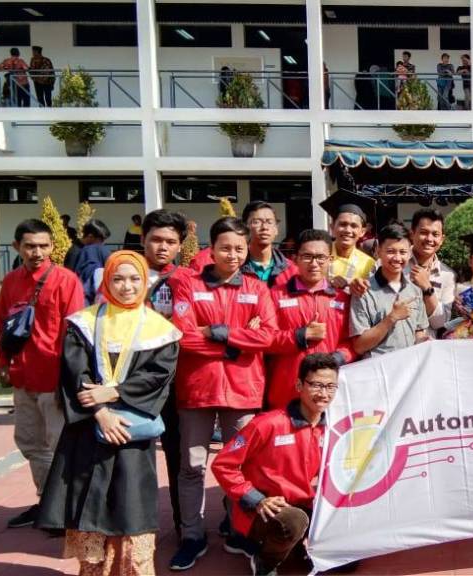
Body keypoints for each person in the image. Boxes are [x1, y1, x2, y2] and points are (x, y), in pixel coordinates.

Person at [36, 251, 181, 576]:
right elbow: (75, 372)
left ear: (145, 282)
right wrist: (101, 413)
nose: (127, 286)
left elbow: (158, 376)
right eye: (118, 278)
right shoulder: (83, 323)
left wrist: (114, 392)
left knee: (131, 509)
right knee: (91, 505)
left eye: (134, 279)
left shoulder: (159, 329)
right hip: (89, 429)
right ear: (106, 281)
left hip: (130, 430)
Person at [169, 217, 279, 571]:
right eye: (225, 248)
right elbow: (183, 336)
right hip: (196, 389)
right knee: (192, 467)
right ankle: (192, 536)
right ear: (211, 249)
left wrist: (217, 333)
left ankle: (238, 531)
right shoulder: (188, 285)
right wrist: (239, 342)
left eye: (239, 249)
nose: (233, 255)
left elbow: (269, 336)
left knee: (240, 466)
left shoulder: (257, 289)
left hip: (243, 390)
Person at [211, 353, 342, 576]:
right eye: (316, 385)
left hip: (301, 504)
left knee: (345, 545)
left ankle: (295, 547)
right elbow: (223, 464)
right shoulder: (267, 423)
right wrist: (256, 499)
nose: (323, 394)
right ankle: (265, 561)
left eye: (331, 386)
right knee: (294, 522)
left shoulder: (330, 428)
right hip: (261, 509)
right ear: (299, 385)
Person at [0, 219, 85, 529]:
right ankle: (47, 501)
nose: (37, 252)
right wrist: (3, 362)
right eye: (30, 246)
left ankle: (65, 509)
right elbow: (2, 325)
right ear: (17, 247)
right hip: (23, 376)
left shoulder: (66, 280)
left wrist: (68, 379)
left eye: (44, 246)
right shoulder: (10, 282)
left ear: (52, 246)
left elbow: (75, 332)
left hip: (54, 378)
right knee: (30, 443)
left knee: (59, 444)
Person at [138, 209, 193, 536]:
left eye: (170, 241)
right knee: (134, 455)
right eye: (156, 239)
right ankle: (134, 524)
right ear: (142, 239)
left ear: (180, 245)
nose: (162, 247)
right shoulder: (125, 275)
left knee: (177, 453)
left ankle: (182, 524)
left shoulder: (187, 279)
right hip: (134, 381)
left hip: (175, 380)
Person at [266, 229, 354, 409]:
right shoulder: (274, 295)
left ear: (330, 260)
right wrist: (300, 335)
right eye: (307, 257)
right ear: (295, 259)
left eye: (320, 257)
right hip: (286, 390)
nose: (314, 263)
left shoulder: (343, 298)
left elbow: (352, 343)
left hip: (329, 392)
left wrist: (334, 359)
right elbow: (265, 340)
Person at [349, 223, 430, 358]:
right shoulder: (363, 291)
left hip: (410, 365)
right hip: (379, 367)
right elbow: (359, 346)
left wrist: (424, 340)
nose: (397, 258)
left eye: (403, 252)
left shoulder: (415, 289)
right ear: (378, 251)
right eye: (391, 251)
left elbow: (419, 331)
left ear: (410, 253)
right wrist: (391, 318)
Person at [408, 209, 457, 338]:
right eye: (423, 233)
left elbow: (440, 323)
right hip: (394, 345)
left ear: (442, 239)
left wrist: (427, 288)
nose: (429, 239)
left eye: (435, 234)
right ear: (412, 234)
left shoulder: (448, 275)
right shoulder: (394, 263)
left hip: (427, 346)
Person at [319, 193, 378, 294]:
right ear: (332, 227)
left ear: (362, 232)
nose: (347, 230)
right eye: (343, 224)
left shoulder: (369, 264)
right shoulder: (318, 257)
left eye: (354, 226)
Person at [240, 201, 298, 289]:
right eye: (257, 222)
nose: (264, 227)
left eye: (269, 222)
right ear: (244, 228)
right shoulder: (235, 267)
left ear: (276, 229)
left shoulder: (291, 270)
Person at [74, 218, 113, 305]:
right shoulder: (76, 252)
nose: (103, 243)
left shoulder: (79, 249)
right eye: (101, 240)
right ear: (90, 236)